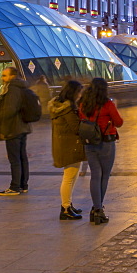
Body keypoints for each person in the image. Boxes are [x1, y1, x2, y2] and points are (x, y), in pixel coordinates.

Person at [79, 77, 123, 224]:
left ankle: (96, 209)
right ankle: (98, 210)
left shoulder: (83, 104)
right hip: (106, 143)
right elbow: (119, 122)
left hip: (89, 143)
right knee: (104, 176)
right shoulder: (107, 104)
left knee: (95, 176)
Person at [49, 80, 85, 220]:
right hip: (70, 146)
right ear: (73, 93)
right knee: (69, 178)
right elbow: (76, 128)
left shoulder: (58, 106)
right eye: (79, 92)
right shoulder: (68, 109)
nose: (80, 95)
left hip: (64, 145)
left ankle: (68, 204)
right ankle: (65, 208)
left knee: (71, 176)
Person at [0, 66, 34, 196]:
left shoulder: (12, 89)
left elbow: (10, 109)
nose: (2, 78)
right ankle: (23, 185)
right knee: (22, 157)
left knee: (15, 159)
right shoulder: (23, 87)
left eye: (5, 75)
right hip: (22, 127)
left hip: (13, 128)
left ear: (12, 76)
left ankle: (15, 186)